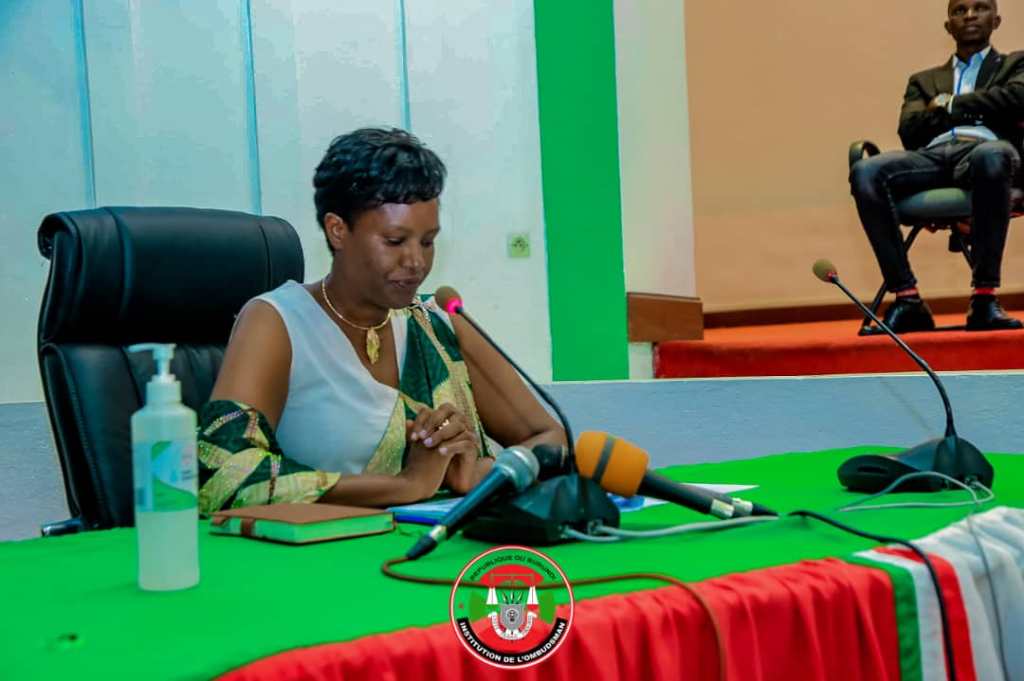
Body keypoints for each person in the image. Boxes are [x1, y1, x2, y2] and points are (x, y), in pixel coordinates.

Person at [196, 128, 565, 513]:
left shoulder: (440, 324)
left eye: (427, 241)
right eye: (394, 241)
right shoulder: (278, 322)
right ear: (338, 230)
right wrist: (406, 485)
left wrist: (487, 475)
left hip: (445, 542)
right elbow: (222, 473)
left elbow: (550, 437)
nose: (416, 262)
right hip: (325, 547)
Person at [850, 0, 1024, 333]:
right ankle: (907, 299)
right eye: (959, 10)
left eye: (979, 8)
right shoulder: (923, 80)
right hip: (932, 156)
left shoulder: (1015, 64)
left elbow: (1017, 99)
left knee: (992, 155)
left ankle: (984, 299)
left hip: (983, 153)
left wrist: (950, 105)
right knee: (866, 170)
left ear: (996, 20)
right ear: (948, 26)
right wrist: (983, 107)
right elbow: (910, 130)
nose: (969, 15)